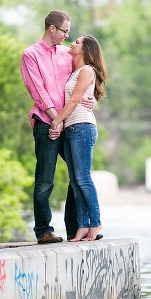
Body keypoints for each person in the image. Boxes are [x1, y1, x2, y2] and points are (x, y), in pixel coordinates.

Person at [21, 10, 94, 244]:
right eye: (65, 31)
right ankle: (43, 230)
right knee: (45, 179)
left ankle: (75, 229)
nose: (67, 36)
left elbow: (83, 80)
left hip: (70, 123)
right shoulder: (30, 55)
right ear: (52, 28)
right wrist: (56, 119)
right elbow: (38, 91)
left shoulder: (67, 54)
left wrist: (93, 99)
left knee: (77, 176)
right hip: (46, 123)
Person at [49, 35, 107, 242]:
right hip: (72, 129)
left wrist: (56, 121)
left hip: (83, 127)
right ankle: (82, 226)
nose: (71, 43)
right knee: (75, 182)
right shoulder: (75, 71)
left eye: (77, 42)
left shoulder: (87, 70)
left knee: (83, 179)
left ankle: (95, 222)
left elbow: (74, 100)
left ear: (85, 50)